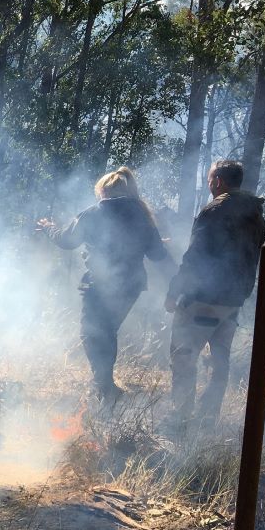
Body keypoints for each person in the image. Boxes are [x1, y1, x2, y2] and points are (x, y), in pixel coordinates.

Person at [39, 166, 172, 405]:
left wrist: (49, 228)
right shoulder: (142, 215)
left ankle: (104, 387)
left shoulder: (94, 213)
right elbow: (157, 254)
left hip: (101, 284)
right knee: (107, 331)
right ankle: (106, 387)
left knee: (92, 333)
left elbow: (67, 241)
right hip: (131, 285)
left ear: (104, 191)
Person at [166, 159, 265, 432]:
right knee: (219, 363)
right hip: (232, 304)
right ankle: (207, 421)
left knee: (183, 356)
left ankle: (180, 420)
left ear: (218, 181)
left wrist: (174, 290)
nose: (208, 183)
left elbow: (195, 257)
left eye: (210, 178)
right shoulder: (256, 217)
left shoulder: (214, 210)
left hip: (203, 301)